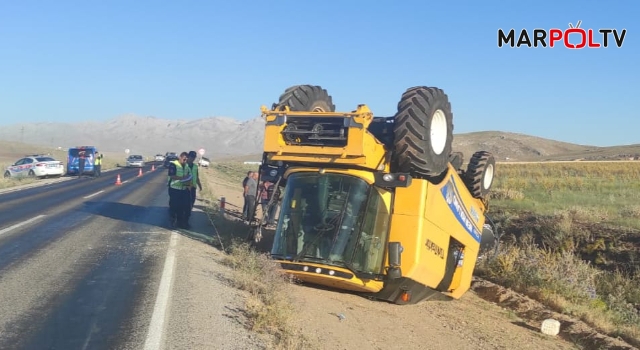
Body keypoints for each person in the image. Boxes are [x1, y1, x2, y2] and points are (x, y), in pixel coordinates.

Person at [167, 152, 192, 229]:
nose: (185, 160)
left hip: (183, 189)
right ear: (180, 157)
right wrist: (182, 178)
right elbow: (172, 175)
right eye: (184, 158)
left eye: (186, 159)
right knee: (174, 206)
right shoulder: (173, 164)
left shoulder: (187, 166)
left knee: (182, 207)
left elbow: (188, 175)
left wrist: (188, 184)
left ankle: (180, 223)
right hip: (174, 189)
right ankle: (172, 221)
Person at [186, 151, 203, 221]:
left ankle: (188, 214)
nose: (193, 159)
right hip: (185, 188)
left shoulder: (195, 166)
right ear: (188, 157)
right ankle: (184, 218)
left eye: (194, 157)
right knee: (185, 203)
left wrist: (200, 185)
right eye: (191, 157)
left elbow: (197, 176)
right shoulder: (183, 165)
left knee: (192, 202)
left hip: (193, 187)